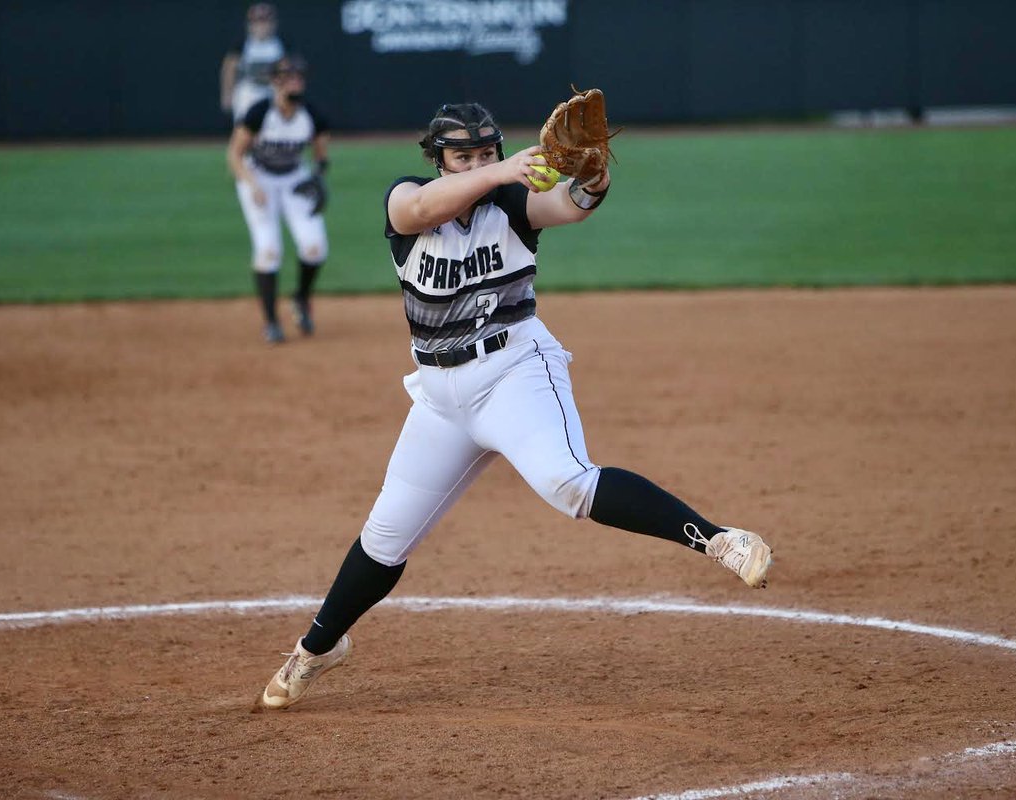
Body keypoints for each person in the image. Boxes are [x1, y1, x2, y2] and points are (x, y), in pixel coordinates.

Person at [256, 102, 773, 709]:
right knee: (384, 536)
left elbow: (567, 207)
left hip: (515, 372)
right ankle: (317, 648)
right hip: (441, 397)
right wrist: (500, 172)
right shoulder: (408, 201)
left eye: (485, 154)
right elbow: (421, 208)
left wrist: (594, 182)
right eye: (461, 156)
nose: (476, 164)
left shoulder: (512, 206)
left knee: (567, 482)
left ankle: (718, 539)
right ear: (437, 160)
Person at [227, 56, 330, 343]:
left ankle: (301, 299)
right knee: (268, 249)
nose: (295, 81)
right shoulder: (259, 113)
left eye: (299, 76)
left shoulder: (312, 115)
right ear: (275, 81)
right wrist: (251, 184)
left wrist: (317, 178)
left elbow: (321, 158)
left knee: (314, 247)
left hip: (294, 178)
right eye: (288, 76)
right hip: (258, 178)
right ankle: (271, 321)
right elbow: (235, 154)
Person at [220, 3, 290, 123]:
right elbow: (229, 69)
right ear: (250, 24)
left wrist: (285, 93)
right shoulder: (243, 44)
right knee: (244, 127)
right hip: (248, 91)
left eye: (265, 21)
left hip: (271, 90)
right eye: (258, 22)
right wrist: (227, 94)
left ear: (273, 23)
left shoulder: (280, 44)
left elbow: (287, 69)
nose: (262, 26)